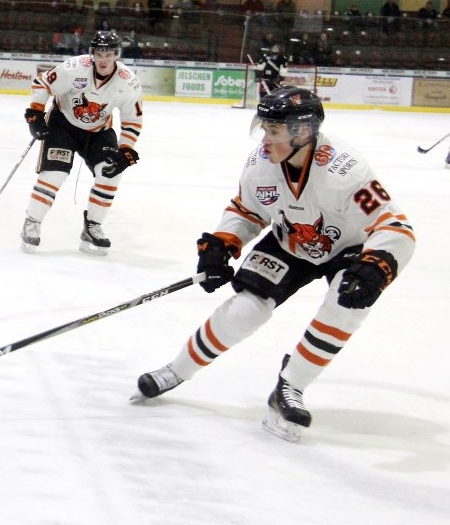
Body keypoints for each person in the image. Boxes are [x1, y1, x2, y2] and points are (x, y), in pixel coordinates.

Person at [132, 86, 415, 443]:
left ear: (303, 132)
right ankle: (176, 369)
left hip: (348, 247)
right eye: (263, 128)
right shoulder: (259, 164)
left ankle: (291, 385)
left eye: (274, 131)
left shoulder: (346, 169)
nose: (264, 139)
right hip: (288, 241)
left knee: (345, 306)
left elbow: (396, 227)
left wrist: (379, 264)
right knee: (246, 311)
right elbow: (246, 210)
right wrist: (222, 243)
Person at [20, 30, 143, 255]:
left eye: (109, 54)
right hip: (63, 124)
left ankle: (92, 226)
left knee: (111, 171)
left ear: (117, 55)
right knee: (55, 174)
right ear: (92, 54)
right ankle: (32, 221)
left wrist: (126, 148)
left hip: (98, 132)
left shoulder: (129, 83)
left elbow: (132, 120)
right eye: (99, 53)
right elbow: (42, 84)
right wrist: (35, 114)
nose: (103, 59)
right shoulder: (74, 68)